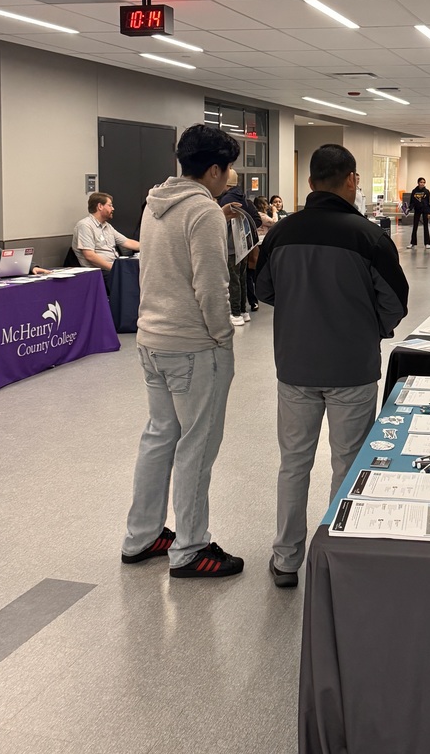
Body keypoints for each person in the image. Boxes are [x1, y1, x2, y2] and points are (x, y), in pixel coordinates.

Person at [256, 144, 409, 587]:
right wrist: (369, 328)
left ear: (309, 184)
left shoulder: (282, 234)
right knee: (348, 462)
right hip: (352, 369)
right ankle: (338, 559)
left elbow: (264, 289)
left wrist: (299, 310)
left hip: (296, 366)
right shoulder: (369, 237)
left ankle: (286, 559)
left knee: (294, 463)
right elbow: (395, 302)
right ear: (352, 180)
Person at [121, 124, 245, 579]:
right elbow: (211, 285)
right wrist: (222, 336)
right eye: (228, 168)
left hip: (151, 339)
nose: (228, 176)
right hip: (193, 346)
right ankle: (191, 548)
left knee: (159, 437)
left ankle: (143, 534)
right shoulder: (204, 211)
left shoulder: (154, 204)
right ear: (213, 169)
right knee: (196, 445)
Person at [72, 192, 140, 292]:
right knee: (132, 285)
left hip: (113, 268)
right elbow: (89, 256)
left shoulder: (107, 226)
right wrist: (115, 269)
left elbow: (127, 242)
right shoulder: (85, 226)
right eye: (110, 205)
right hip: (99, 272)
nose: (113, 209)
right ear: (100, 206)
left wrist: (149, 247)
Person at [218, 169, 258, 327]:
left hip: (230, 246)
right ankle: (242, 310)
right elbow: (256, 219)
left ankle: (235, 313)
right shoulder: (245, 199)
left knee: (233, 281)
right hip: (243, 247)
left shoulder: (226, 199)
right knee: (242, 279)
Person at [406, 177, 430, 249]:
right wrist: (409, 209)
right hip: (417, 210)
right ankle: (413, 243)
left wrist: (429, 211)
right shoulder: (414, 191)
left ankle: (427, 243)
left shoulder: (427, 191)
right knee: (415, 226)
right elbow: (412, 202)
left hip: (425, 210)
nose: (422, 183)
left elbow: (429, 202)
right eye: (421, 182)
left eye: (423, 182)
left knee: (426, 226)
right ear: (418, 183)